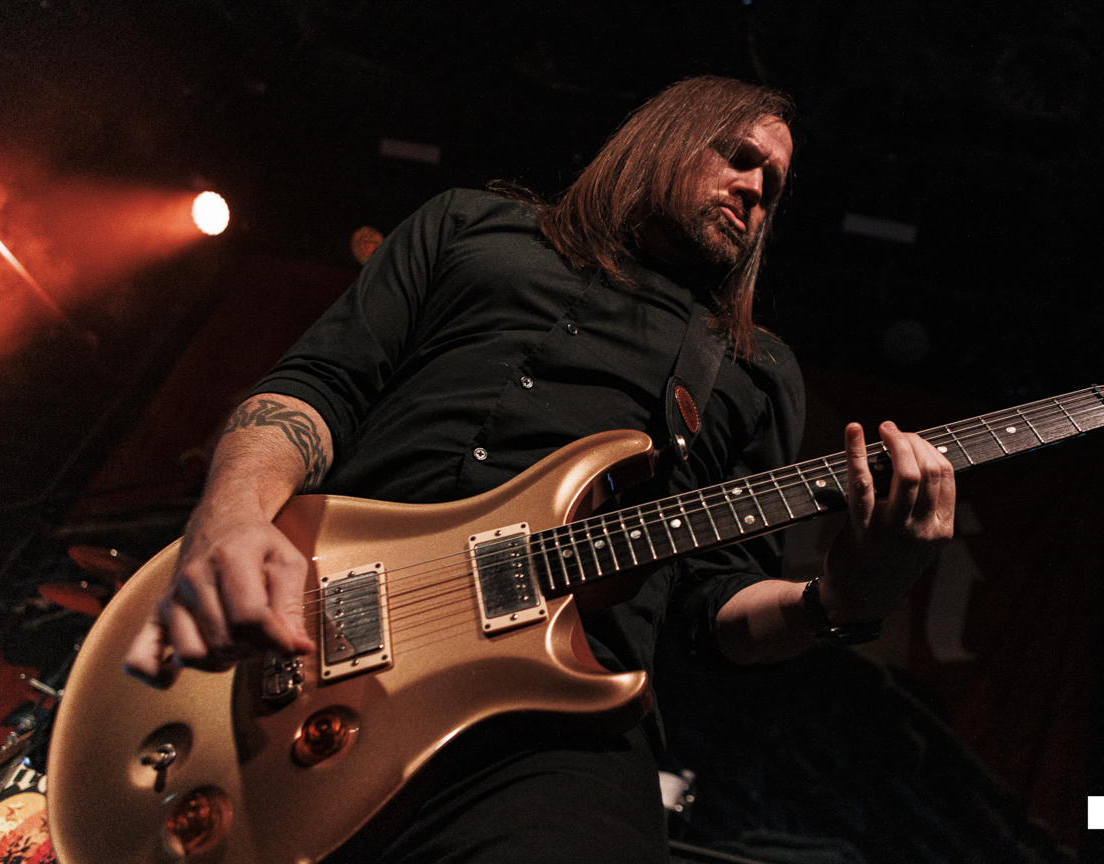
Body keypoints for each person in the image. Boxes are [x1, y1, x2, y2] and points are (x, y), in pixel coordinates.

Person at [122, 75, 956, 862]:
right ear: (663, 137)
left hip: (552, 732)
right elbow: (318, 386)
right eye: (738, 157)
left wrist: (847, 598)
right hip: (309, 634)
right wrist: (231, 516)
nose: (754, 191)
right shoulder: (470, 228)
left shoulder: (754, 370)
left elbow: (710, 612)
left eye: (772, 187)